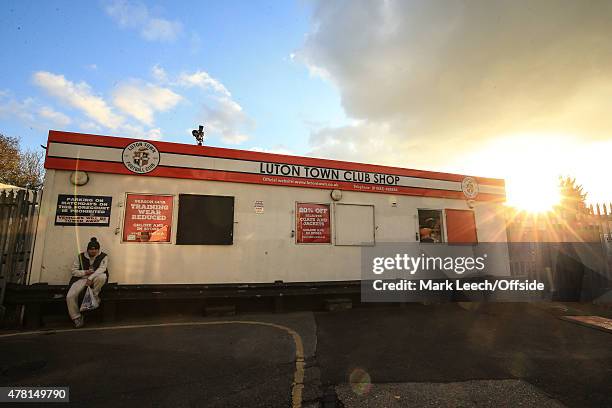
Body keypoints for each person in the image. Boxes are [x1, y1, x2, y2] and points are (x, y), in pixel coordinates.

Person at [66, 237, 109, 328]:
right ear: (88, 249)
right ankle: (77, 318)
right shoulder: (80, 256)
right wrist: (85, 272)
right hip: (82, 278)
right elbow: (74, 271)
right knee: (70, 296)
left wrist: (91, 277)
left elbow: (102, 269)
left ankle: (95, 296)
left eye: (95, 250)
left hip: (95, 278)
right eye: (91, 250)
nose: (93, 252)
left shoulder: (103, 256)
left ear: (98, 249)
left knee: (102, 276)